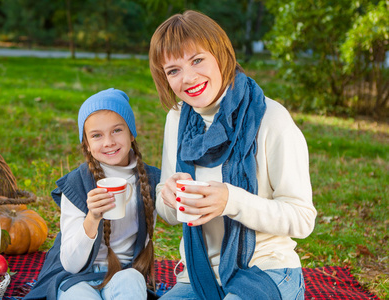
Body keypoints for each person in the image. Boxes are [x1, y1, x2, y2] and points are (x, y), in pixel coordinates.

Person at [148, 10, 317, 300]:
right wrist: (169, 195)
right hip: (198, 276)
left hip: (266, 271)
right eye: (173, 70)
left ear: (221, 54)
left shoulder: (270, 118)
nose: (188, 78)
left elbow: (302, 218)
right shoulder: (177, 119)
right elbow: (170, 213)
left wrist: (232, 200)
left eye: (197, 60)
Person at [24, 88, 161, 300]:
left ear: (131, 133)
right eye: (97, 135)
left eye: (117, 130)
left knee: (133, 280)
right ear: (87, 144)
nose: (108, 142)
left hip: (123, 273)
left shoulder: (151, 180)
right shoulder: (77, 184)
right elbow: (71, 263)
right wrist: (92, 217)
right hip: (76, 277)